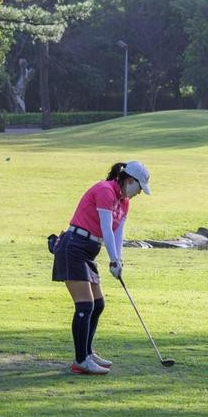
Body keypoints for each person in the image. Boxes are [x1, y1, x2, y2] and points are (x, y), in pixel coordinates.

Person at [51, 161, 151, 375]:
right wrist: (112, 259)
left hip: (88, 252)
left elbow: (117, 233)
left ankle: (88, 352)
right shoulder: (105, 190)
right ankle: (81, 360)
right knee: (85, 305)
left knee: (98, 304)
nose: (139, 193)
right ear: (129, 180)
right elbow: (105, 227)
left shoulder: (124, 202)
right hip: (73, 247)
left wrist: (119, 260)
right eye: (139, 188)